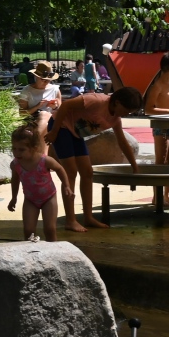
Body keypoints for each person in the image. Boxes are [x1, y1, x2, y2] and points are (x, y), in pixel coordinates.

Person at [46, 87, 143, 230]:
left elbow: (122, 142)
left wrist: (134, 166)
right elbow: (66, 105)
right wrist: (54, 131)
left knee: (87, 173)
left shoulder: (115, 119)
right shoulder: (96, 101)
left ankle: (88, 217)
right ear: (117, 102)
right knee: (71, 172)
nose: (126, 114)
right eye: (126, 110)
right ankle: (70, 220)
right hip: (61, 126)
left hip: (76, 134)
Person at [7, 125, 75, 242]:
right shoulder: (16, 164)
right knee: (28, 230)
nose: (16, 153)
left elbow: (59, 169)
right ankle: (31, 251)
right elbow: (15, 180)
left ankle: (53, 249)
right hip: (30, 200)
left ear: (34, 148)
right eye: (14, 148)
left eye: (21, 149)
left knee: (50, 229)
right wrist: (14, 197)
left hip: (48, 198)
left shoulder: (45, 161)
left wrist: (67, 186)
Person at [16, 61, 61, 137]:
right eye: (43, 79)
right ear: (36, 76)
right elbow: (22, 114)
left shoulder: (55, 89)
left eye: (48, 80)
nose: (46, 82)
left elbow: (60, 113)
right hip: (32, 124)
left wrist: (55, 107)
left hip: (50, 123)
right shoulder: (27, 90)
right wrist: (37, 106)